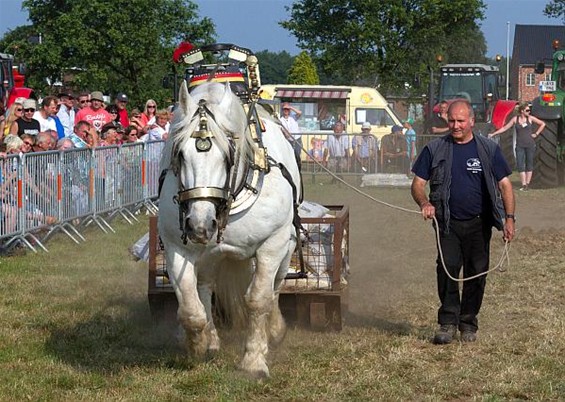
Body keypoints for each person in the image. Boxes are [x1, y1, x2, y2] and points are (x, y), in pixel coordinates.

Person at [411, 100, 515, 345]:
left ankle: (468, 323)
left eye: (460, 121)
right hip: (447, 223)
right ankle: (447, 322)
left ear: (471, 121)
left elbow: (505, 185)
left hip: (479, 225)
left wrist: (509, 218)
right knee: (447, 270)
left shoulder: (488, 149)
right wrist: (424, 203)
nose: (455, 126)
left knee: (477, 274)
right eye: (451, 121)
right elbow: (417, 184)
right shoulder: (434, 148)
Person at [488, 101, 545, 191]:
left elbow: (542, 124)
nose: (529, 112)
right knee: (520, 165)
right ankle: (524, 184)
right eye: (527, 110)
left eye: (529, 110)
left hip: (530, 145)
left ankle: (527, 184)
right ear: (522, 111)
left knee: (529, 164)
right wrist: (494, 134)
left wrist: (536, 134)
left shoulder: (530, 118)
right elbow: (505, 128)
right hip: (520, 146)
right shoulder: (515, 119)